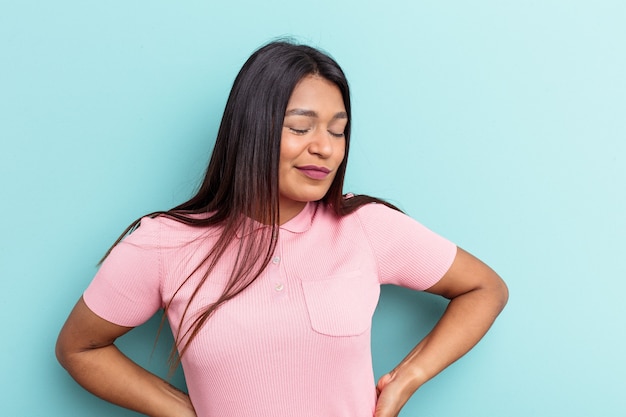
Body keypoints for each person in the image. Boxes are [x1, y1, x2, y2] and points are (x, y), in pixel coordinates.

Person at [56, 40, 508, 417]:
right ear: (251, 130)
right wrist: (182, 411)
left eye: (338, 131)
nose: (325, 148)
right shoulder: (163, 242)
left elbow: (485, 288)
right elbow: (80, 347)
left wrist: (408, 377)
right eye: (300, 127)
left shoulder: (365, 226)